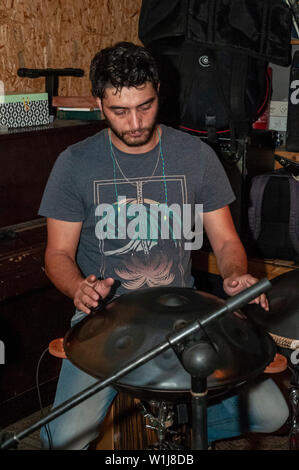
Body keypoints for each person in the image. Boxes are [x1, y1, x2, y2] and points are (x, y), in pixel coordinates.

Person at [38, 41, 288, 450]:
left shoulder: (196, 155)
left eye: (146, 105)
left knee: (271, 415)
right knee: (64, 439)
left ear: (158, 90)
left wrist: (236, 273)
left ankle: (175, 429)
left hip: (184, 315)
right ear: (99, 103)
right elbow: (58, 255)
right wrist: (77, 288)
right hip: (107, 319)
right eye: (120, 111)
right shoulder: (75, 163)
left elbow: (225, 240)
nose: (135, 122)